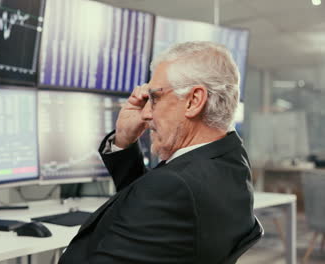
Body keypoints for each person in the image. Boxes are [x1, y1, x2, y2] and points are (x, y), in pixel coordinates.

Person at [58, 41, 256, 264]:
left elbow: (159, 199)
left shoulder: (174, 186)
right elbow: (149, 212)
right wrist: (124, 141)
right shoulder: (230, 160)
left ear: (194, 100)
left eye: (155, 97)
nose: (145, 113)